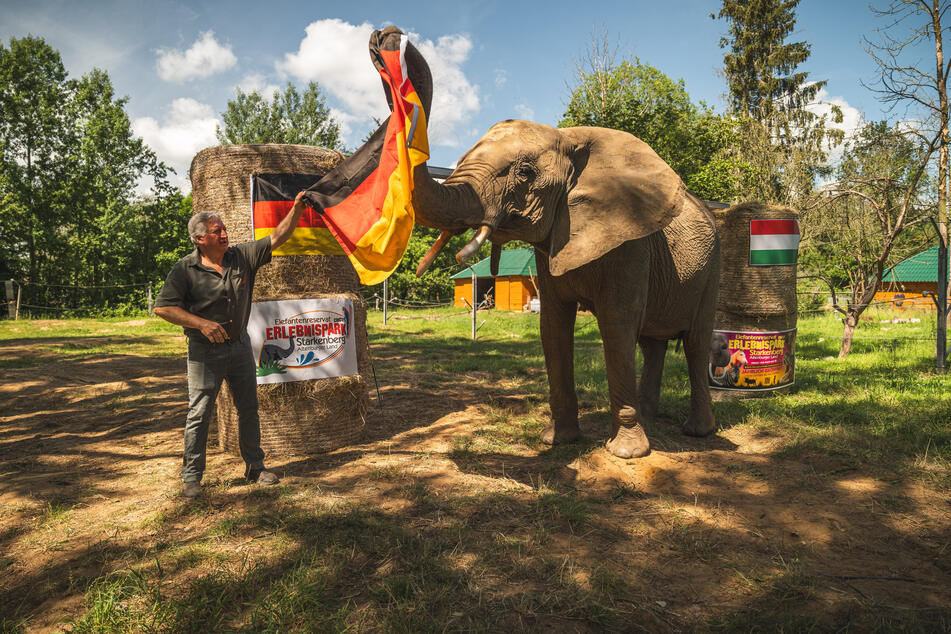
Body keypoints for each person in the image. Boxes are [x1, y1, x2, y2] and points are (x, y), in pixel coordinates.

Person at [154, 192, 308, 498]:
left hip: (239, 347)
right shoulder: (184, 270)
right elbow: (163, 308)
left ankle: (255, 467)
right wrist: (200, 323)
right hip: (203, 353)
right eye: (216, 231)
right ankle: (192, 477)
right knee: (199, 413)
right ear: (199, 239)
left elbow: (277, 237)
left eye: (224, 229)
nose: (224, 234)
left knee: (248, 408)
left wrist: (297, 209)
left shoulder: (242, 256)